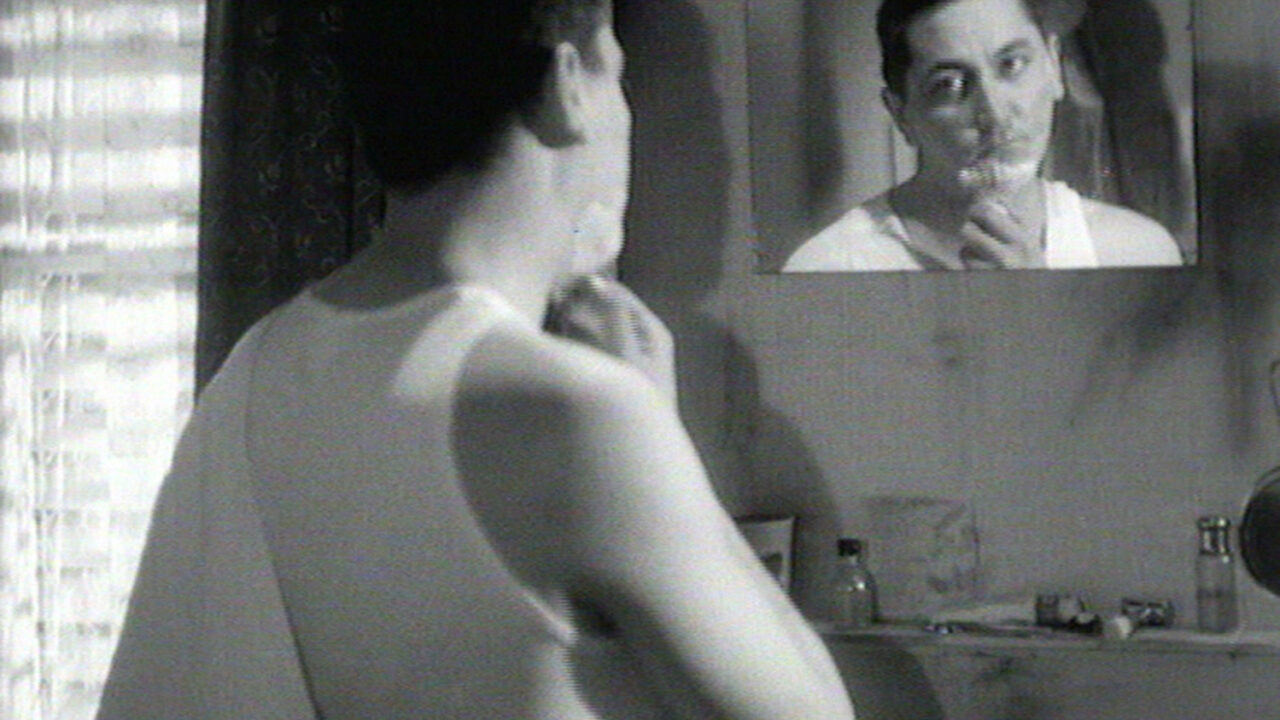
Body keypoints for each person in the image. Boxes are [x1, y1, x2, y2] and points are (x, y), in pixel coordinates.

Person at [95, 2, 857, 719]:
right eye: (618, 76)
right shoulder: (580, 415)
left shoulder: (251, 375)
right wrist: (662, 434)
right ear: (570, 88)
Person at [782, 0, 1185, 272]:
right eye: (950, 85)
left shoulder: (1139, 252)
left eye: (1012, 64)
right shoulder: (827, 265)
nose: (993, 114)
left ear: (1053, 67)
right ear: (901, 114)